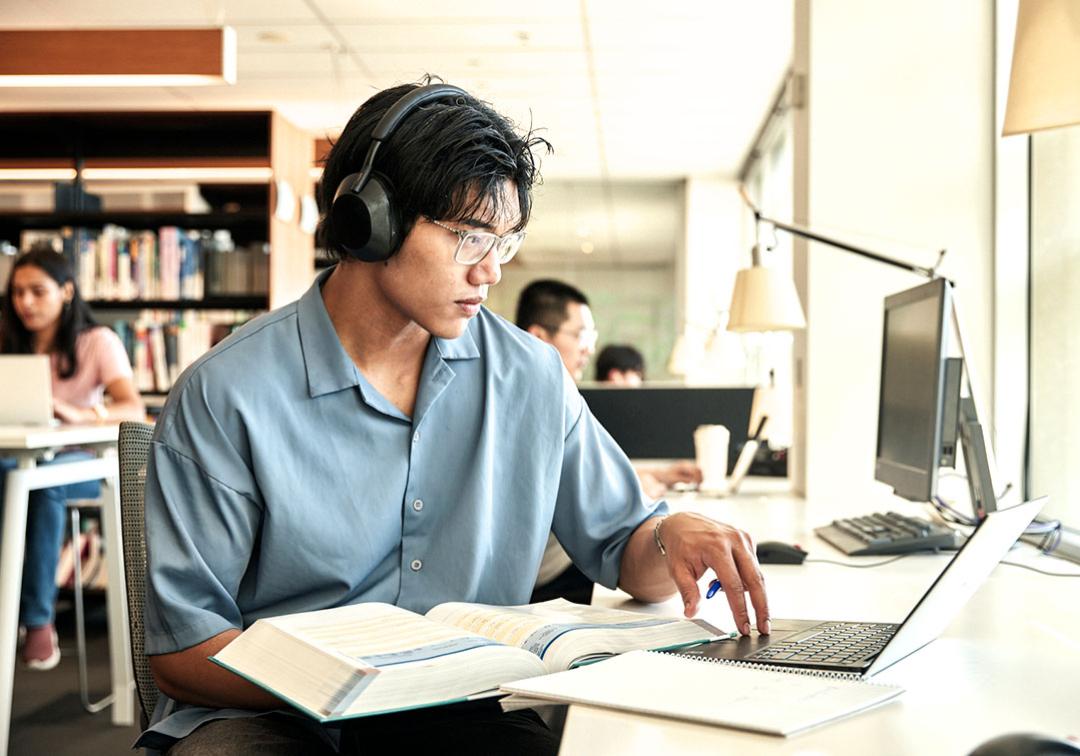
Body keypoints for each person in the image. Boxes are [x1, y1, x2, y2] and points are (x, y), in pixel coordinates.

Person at [139, 81, 769, 755]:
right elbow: (184, 650)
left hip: (463, 712)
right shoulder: (228, 392)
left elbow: (626, 551)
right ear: (369, 219)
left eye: (507, 239)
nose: (493, 270)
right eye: (469, 237)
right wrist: (353, 681)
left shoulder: (530, 376)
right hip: (277, 714)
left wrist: (674, 535)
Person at [0, 246, 144, 670]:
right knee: (16, 475)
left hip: (82, 463)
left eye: (37, 291)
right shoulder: (6, 340)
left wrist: (79, 414)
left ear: (66, 291)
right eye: (17, 292)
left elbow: (132, 408)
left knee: (44, 483)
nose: (25, 302)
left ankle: (38, 620)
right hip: (18, 459)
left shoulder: (98, 342)